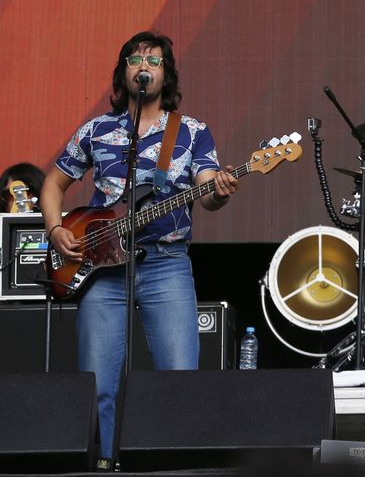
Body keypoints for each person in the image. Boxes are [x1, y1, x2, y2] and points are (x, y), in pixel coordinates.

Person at [40, 31, 239, 465]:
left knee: (179, 377)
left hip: (166, 264)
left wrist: (220, 192)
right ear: (123, 73)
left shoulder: (191, 132)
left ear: (166, 75)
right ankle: (105, 461)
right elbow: (53, 183)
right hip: (102, 268)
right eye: (134, 60)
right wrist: (56, 230)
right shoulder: (97, 130)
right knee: (98, 382)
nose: (142, 66)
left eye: (153, 60)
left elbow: (206, 193)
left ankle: (174, 464)